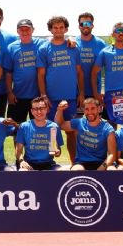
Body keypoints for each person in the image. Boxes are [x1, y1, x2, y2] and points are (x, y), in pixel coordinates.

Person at [36, 15, 84, 163]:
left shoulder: (73, 47)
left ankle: (73, 163)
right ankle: (49, 164)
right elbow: (41, 74)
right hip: (51, 98)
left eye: (61, 27)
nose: (58, 30)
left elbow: (79, 72)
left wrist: (81, 93)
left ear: (66, 29)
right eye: (55, 27)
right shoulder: (44, 48)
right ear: (50, 29)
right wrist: (43, 95)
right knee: (50, 132)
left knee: (71, 132)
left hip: (70, 96)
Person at [55, 97, 116, 171]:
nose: (90, 112)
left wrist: (101, 169)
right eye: (87, 109)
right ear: (84, 111)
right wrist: (60, 109)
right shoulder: (80, 122)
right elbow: (60, 125)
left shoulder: (108, 129)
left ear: (99, 109)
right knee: (76, 170)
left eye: (93, 108)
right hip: (81, 163)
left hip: (100, 162)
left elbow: (112, 154)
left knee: (112, 169)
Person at [4, 19, 44, 123]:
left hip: (38, 96)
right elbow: (8, 73)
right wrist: (9, 92)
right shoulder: (12, 47)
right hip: (18, 96)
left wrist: (70, 40)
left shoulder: (41, 44)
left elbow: (56, 42)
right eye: (22, 30)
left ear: (33, 30)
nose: (25, 32)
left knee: (39, 127)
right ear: (18, 31)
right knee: (15, 128)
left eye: (28, 29)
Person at [15, 96, 64, 171]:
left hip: (49, 164)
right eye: (35, 109)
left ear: (46, 109)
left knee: (62, 171)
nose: (39, 112)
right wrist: (22, 161)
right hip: (29, 164)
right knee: (22, 171)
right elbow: (18, 151)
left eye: (41, 108)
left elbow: (56, 151)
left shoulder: (53, 127)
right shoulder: (24, 127)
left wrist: (57, 152)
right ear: (31, 111)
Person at [75, 12, 108, 115]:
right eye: (82, 24)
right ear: (79, 26)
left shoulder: (101, 44)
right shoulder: (72, 42)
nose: (85, 26)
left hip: (96, 92)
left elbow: (109, 67)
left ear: (92, 25)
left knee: (96, 123)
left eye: (88, 23)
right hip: (76, 92)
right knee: (75, 127)